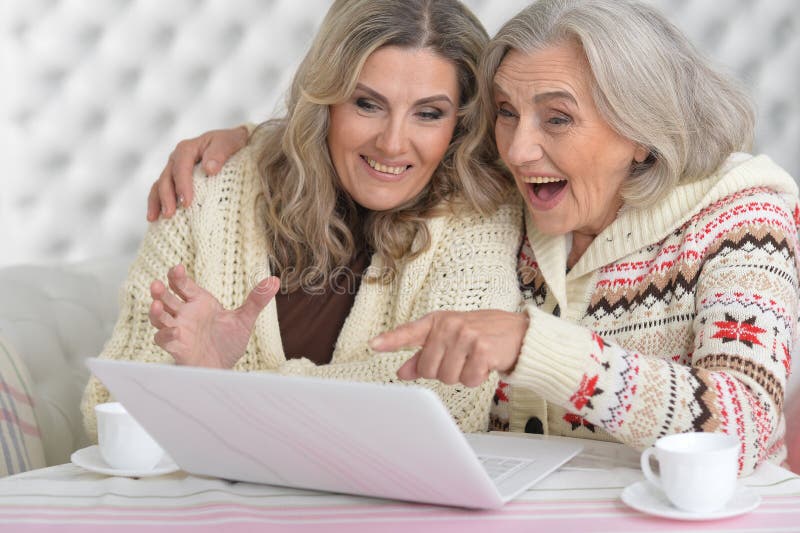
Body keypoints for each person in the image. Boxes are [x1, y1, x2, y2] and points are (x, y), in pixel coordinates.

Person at [152, 0, 800, 477]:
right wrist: (251, 141)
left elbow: (742, 426)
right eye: (508, 114)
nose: (519, 149)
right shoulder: (511, 197)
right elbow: (393, 136)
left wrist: (532, 345)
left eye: (558, 117)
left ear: (643, 127)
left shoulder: (742, 216)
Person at [81, 0, 524, 439]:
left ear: (461, 124)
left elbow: (449, 403)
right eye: (367, 104)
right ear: (326, 99)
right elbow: (110, 405)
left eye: (429, 113)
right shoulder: (212, 187)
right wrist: (200, 376)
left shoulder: (480, 208)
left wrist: (221, 385)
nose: (392, 143)